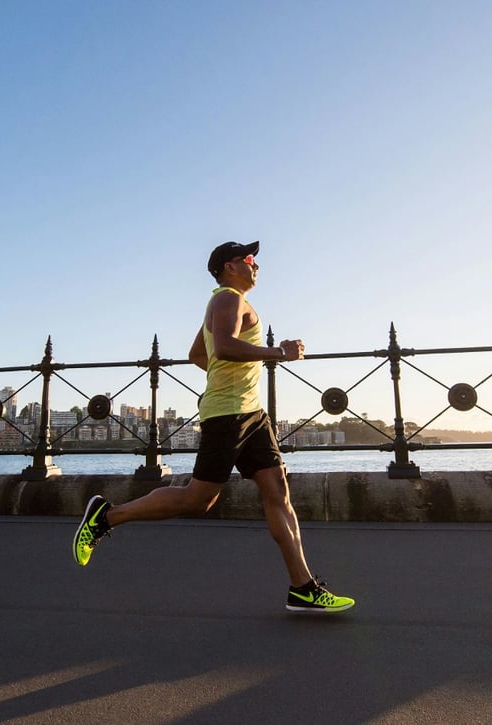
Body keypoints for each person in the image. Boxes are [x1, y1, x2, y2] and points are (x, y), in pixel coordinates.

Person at [72, 240, 355, 613]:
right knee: (198, 499)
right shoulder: (227, 299)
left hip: (252, 413)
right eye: (250, 259)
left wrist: (230, 379)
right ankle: (105, 516)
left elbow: (198, 355)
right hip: (228, 415)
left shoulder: (231, 301)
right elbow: (222, 348)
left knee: (278, 490)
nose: (257, 265)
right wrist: (277, 354)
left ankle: (303, 587)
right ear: (229, 266)